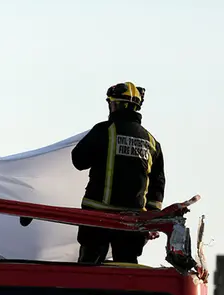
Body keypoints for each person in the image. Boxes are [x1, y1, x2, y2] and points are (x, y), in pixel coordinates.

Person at [71, 82, 165, 264]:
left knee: (88, 269)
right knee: (127, 271)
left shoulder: (103, 131)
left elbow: (79, 161)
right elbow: (158, 183)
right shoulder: (151, 142)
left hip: (97, 217)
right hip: (133, 222)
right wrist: (152, 217)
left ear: (116, 105)